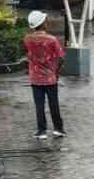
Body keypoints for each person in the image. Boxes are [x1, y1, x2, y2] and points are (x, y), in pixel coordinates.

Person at [23, 10, 66, 141]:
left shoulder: (27, 39)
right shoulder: (52, 40)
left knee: (39, 105)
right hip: (50, 78)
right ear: (42, 24)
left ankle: (41, 131)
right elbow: (61, 57)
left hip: (35, 78)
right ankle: (58, 129)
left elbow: (27, 54)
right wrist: (56, 71)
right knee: (54, 103)